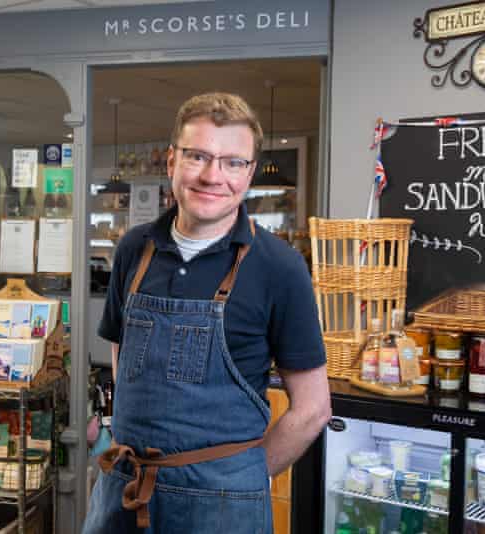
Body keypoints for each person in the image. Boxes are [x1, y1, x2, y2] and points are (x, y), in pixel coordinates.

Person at [82, 92, 330, 533]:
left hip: (222, 509)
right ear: (172, 161)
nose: (214, 176)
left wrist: (239, 478)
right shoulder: (133, 250)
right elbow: (123, 348)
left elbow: (312, 409)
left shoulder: (279, 267)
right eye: (198, 156)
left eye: (233, 162)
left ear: (250, 173)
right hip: (124, 490)